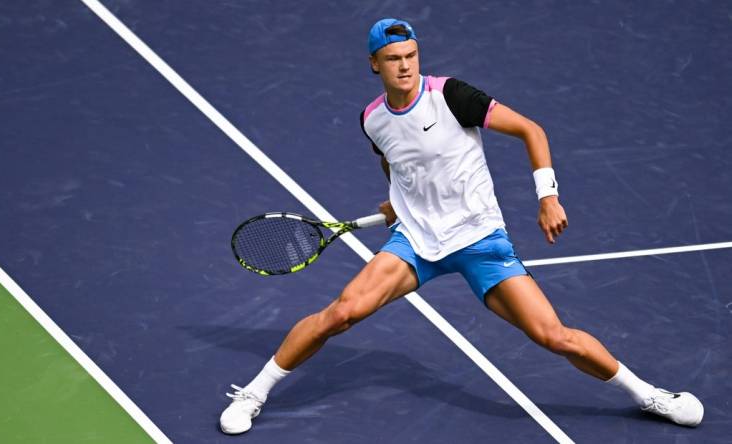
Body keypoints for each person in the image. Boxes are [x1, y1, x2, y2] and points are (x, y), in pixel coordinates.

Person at [219, 18, 704, 435]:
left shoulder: (451, 95)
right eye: (393, 58)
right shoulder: (372, 119)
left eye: (411, 55)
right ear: (374, 64)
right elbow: (396, 163)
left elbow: (531, 130)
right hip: (416, 243)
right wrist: (397, 201)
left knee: (554, 336)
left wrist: (548, 195)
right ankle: (253, 394)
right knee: (342, 313)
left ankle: (648, 395)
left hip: (480, 242)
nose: (405, 66)